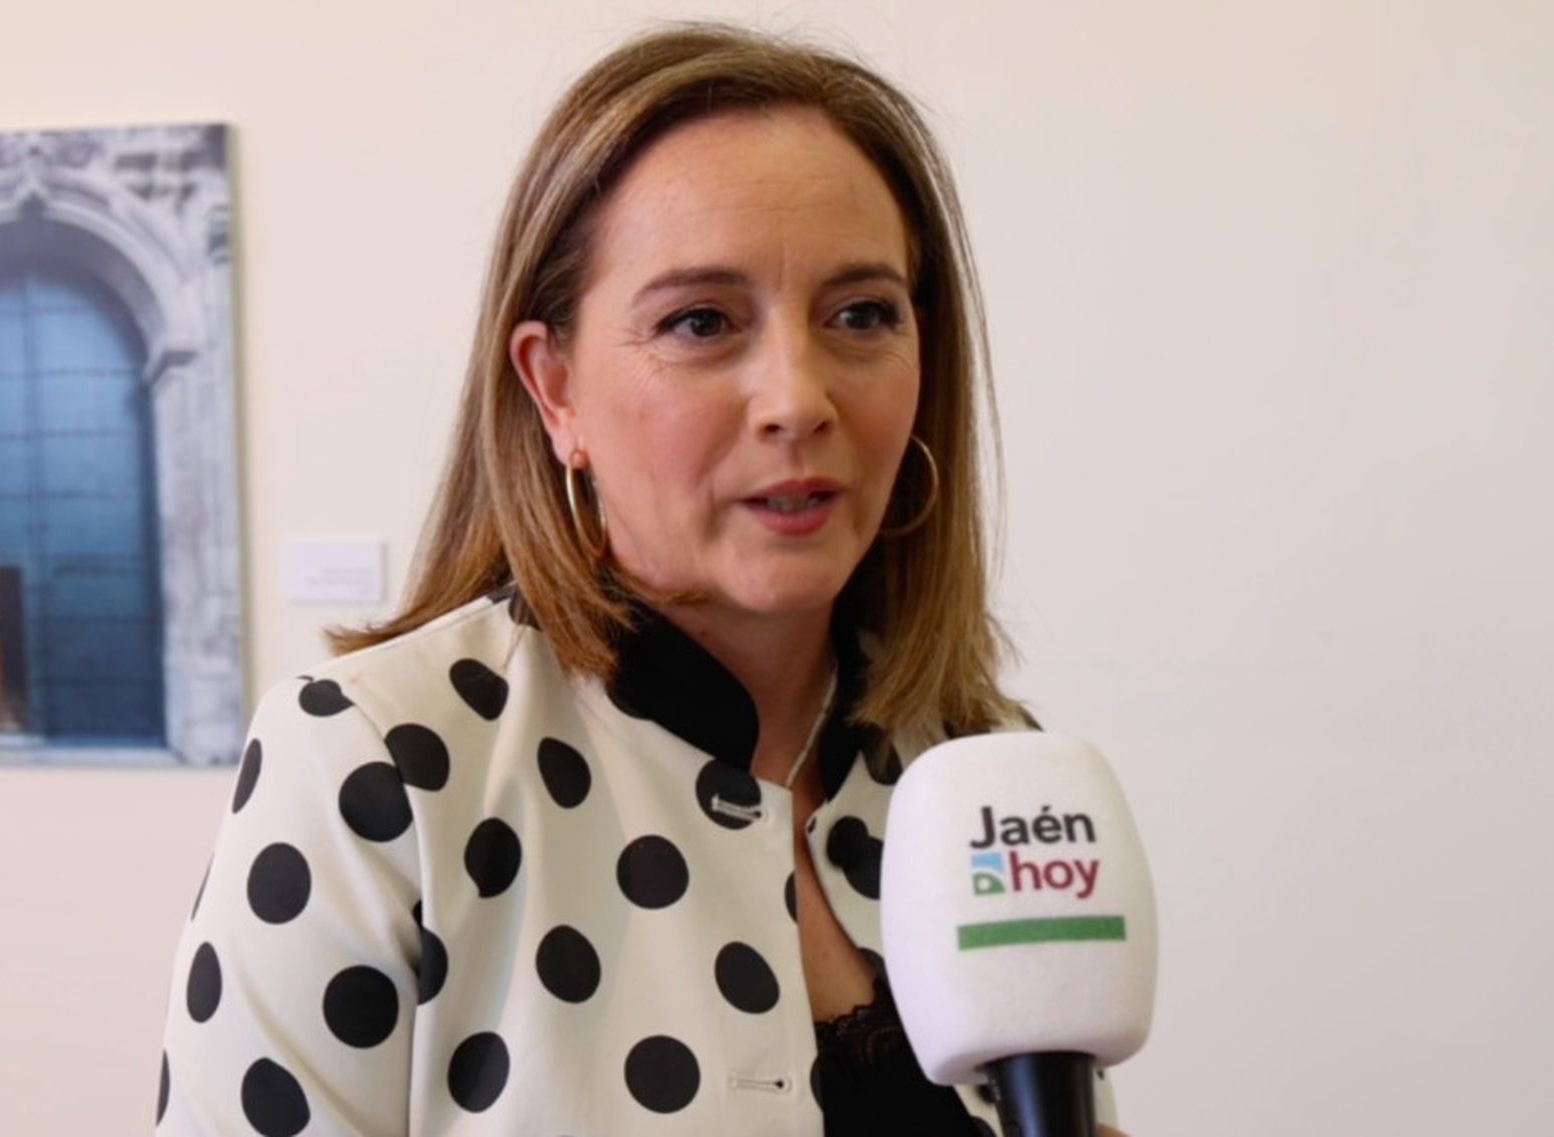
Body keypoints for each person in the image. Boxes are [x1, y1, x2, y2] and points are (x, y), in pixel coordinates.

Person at [157, 22, 1129, 1137]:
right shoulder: (379, 769)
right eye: (700, 322)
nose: (797, 399)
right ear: (556, 388)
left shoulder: (984, 773)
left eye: (861, 314)